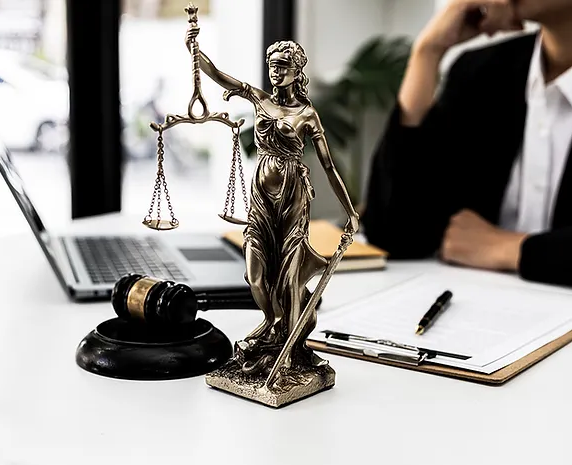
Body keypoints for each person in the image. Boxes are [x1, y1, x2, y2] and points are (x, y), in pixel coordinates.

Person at [362, 0, 572, 287]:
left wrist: (509, 248)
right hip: (478, 311)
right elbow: (397, 232)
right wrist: (427, 54)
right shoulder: (482, 71)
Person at [188, 29, 360, 372]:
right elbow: (219, 75)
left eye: (282, 65)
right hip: (262, 198)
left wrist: (350, 213)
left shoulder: (308, 115)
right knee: (255, 275)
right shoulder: (259, 98)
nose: (275, 71)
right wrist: (194, 48)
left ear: (297, 70)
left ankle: (286, 343)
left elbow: (328, 167)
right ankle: (273, 320)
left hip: (293, 198)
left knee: (289, 272)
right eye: (271, 65)